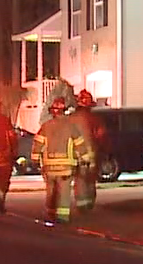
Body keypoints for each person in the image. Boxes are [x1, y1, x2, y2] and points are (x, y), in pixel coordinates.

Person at [31, 96, 86, 225]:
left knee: (50, 191)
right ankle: (62, 217)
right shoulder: (71, 127)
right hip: (66, 168)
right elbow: (80, 145)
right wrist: (85, 159)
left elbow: (38, 144)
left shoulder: (45, 127)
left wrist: (34, 160)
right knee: (64, 192)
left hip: (49, 168)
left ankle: (50, 213)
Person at [68, 89, 103, 213]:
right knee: (89, 180)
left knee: (80, 180)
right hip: (91, 155)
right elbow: (101, 135)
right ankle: (88, 204)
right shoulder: (94, 119)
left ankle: (82, 204)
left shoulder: (71, 119)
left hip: (75, 155)